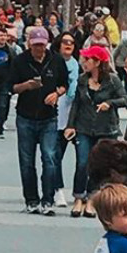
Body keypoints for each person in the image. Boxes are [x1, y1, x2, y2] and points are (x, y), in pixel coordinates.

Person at [9, 25, 68, 214]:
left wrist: (56, 94)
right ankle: (31, 199)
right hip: (25, 116)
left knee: (50, 157)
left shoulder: (56, 60)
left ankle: (48, 199)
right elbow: (11, 87)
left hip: (48, 117)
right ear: (29, 44)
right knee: (26, 160)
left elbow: (64, 84)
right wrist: (27, 85)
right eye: (35, 45)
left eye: (42, 45)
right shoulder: (20, 61)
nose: (39, 49)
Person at [65, 46, 127, 217]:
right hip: (84, 127)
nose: (84, 63)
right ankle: (78, 197)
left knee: (98, 166)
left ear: (98, 62)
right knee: (82, 162)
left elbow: (125, 99)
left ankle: (92, 199)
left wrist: (110, 103)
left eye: (87, 60)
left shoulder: (112, 80)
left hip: (105, 129)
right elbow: (76, 104)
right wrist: (70, 125)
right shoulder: (82, 80)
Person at [52, 32, 79, 207]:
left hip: (75, 115)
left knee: (83, 158)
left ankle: (81, 194)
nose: (68, 45)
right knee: (55, 155)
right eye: (65, 42)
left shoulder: (78, 65)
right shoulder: (52, 62)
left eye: (72, 42)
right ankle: (57, 190)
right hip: (56, 112)